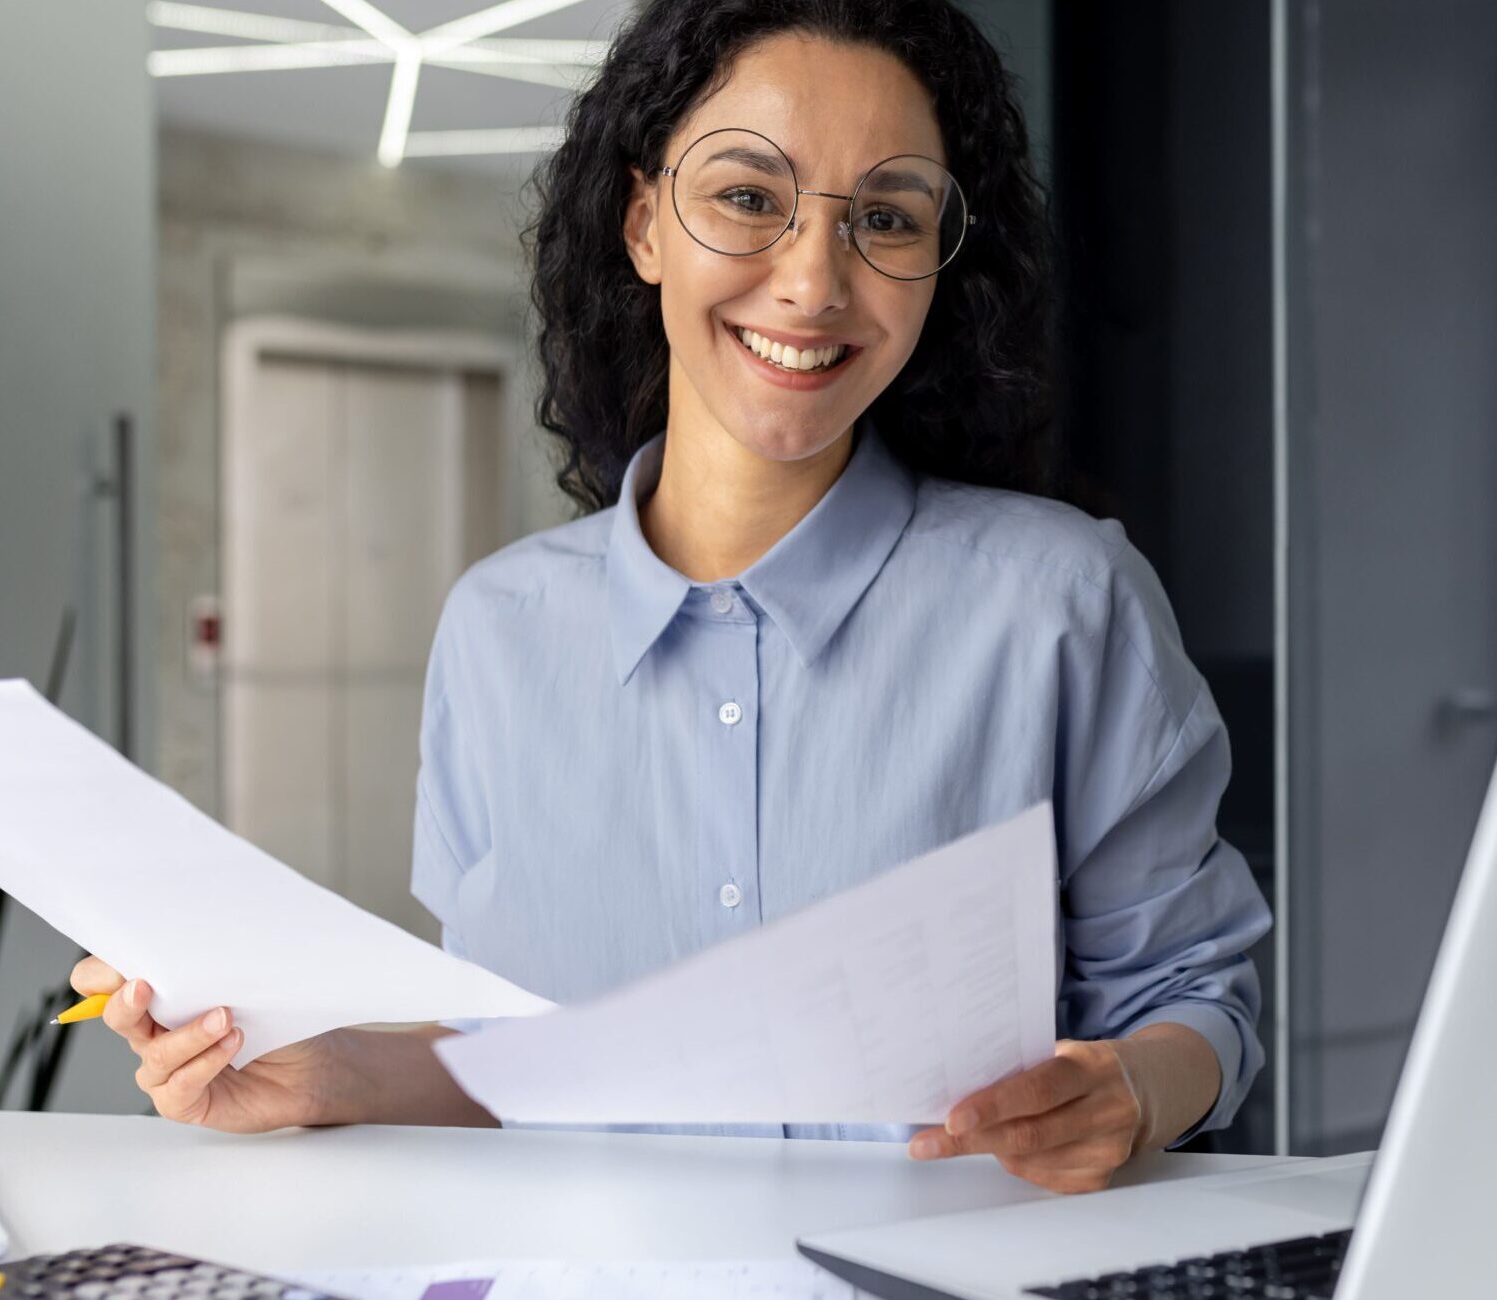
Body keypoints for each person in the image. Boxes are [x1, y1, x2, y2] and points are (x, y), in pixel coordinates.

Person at [73, 0, 1269, 1194]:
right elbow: (517, 1062)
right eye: (750, 197)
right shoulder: (497, 631)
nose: (812, 281)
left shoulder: (1060, 601)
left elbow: (1195, 1001)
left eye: (885, 218)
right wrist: (318, 1075)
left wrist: (1128, 1092)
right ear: (644, 222)